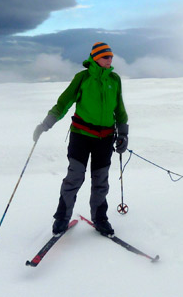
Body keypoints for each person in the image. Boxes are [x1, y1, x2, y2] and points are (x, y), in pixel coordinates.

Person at [33, 42, 129, 236]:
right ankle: (62, 218)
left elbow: (119, 109)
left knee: (101, 180)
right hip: (81, 137)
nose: (109, 60)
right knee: (74, 177)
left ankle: (100, 218)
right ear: (95, 58)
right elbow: (63, 103)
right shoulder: (82, 78)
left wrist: (123, 133)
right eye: (105, 57)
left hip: (105, 138)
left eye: (111, 56)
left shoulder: (114, 79)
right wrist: (45, 124)